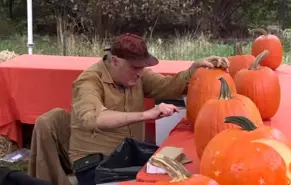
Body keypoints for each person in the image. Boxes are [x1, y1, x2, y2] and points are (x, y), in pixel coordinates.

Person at [69, 33, 229, 185]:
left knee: (181, 170)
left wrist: (192, 70)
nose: (140, 73)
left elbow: (167, 86)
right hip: (95, 166)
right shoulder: (88, 81)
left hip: (129, 155)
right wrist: (146, 115)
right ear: (115, 61)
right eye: (135, 67)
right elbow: (94, 119)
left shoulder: (138, 74)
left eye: (142, 67)